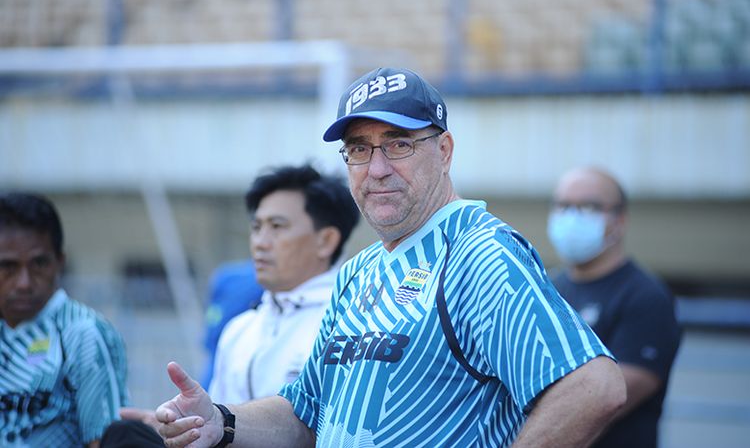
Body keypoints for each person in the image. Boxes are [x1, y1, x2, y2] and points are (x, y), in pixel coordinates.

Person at [155, 67, 626, 448]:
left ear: (444, 150)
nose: (377, 169)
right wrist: (221, 421)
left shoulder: (479, 251)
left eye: (398, 143)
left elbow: (594, 388)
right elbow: (306, 413)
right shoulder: (358, 271)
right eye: (359, 149)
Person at [547, 166, 682, 448]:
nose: (572, 217)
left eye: (589, 206)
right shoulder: (548, 288)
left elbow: (608, 399)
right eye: (563, 205)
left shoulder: (645, 297)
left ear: (620, 220)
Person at [208, 164, 360, 403]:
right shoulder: (239, 330)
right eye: (256, 227)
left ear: (326, 240)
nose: (260, 242)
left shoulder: (350, 325)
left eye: (277, 226)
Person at [0, 192, 130, 447]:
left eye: (38, 264)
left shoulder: (83, 333)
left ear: (60, 262)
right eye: (8, 266)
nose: (24, 282)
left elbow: (103, 440)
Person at [201, 259, 264, 390]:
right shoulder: (263, 281)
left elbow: (213, 316)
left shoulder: (225, 276)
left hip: (220, 356)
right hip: (236, 359)